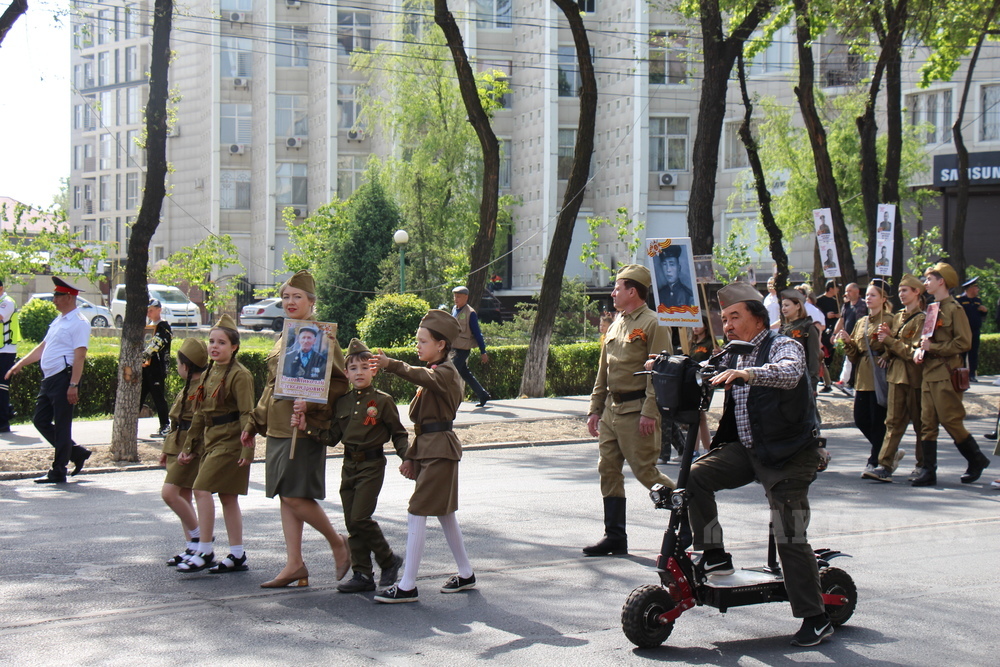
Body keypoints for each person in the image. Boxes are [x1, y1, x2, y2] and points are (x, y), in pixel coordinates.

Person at [686, 282, 830, 648]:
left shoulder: (783, 344)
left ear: (759, 318)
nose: (728, 325)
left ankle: (816, 618)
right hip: (750, 450)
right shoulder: (733, 352)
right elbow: (701, 370)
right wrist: (667, 365)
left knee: (789, 534)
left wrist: (749, 373)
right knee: (695, 477)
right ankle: (715, 555)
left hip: (789, 454)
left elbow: (790, 372)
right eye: (724, 319)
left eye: (735, 317)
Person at [242, 270, 350, 588]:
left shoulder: (322, 336)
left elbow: (340, 384)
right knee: (285, 495)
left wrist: (311, 407)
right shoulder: (286, 335)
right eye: (286, 296)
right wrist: (254, 422)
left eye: (297, 297)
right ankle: (294, 564)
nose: (290, 302)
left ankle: (338, 543)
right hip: (278, 427)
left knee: (293, 495)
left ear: (311, 301)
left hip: (302, 428)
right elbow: (271, 386)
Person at [372, 310, 476, 603]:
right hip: (433, 448)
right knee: (444, 513)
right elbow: (424, 425)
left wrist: (391, 364)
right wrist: (412, 457)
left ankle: (407, 586)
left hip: (440, 450)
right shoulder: (437, 372)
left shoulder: (445, 373)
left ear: (441, 345)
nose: (417, 345)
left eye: (423, 341)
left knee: (417, 510)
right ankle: (466, 573)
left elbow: (420, 376)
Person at [584, 264, 674, 557]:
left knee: (646, 472)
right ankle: (615, 536)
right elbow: (604, 371)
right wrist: (595, 409)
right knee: (607, 469)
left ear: (632, 291)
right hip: (612, 410)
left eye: (617, 288)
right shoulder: (616, 323)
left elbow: (660, 372)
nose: (613, 293)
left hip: (637, 410)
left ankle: (688, 517)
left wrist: (650, 411)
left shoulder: (653, 323)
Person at [304, 338, 407, 594]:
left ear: (374, 371)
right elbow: (332, 437)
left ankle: (388, 559)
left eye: (364, 367)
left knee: (361, 517)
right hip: (348, 465)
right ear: (346, 373)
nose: (359, 372)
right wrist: (306, 427)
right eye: (353, 368)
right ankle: (362, 574)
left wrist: (408, 458)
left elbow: (399, 434)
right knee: (352, 522)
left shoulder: (383, 401)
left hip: (372, 465)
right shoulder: (343, 402)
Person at [177, 315, 255, 574]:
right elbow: (199, 414)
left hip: (231, 440)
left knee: (201, 489)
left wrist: (247, 448)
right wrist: (189, 447)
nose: (214, 346)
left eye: (221, 342)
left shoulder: (240, 375)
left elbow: (247, 413)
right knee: (227, 497)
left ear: (234, 347)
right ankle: (237, 554)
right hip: (212, 439)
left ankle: (205, 549)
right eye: (211, 341)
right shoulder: (209, 373)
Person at [911, 263, 991, 486]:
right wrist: (920, 350)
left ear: (941, 282)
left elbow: (964, 342)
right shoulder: (932, 308)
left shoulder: (955, 309)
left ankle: (976, 459)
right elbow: (926, 339)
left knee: (950, 420)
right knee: (927, 422)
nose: (926, 283)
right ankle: (928, 470)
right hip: (929, 372)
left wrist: (933, 348)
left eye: (929, 279)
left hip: (946, 372)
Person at [5, 277, 91, 484]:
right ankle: (76, 452)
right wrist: (20, 364)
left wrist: (73, 384)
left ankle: (58, 471)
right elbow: (43, 347)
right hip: (50, 379)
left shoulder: (79, 323)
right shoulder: (59, 320)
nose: (54, 299)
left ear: (69, 297)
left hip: (64, 378)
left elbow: (80, 355)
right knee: (40, 420)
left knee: (62, 425)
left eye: (58, 295)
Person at [866, 275, 926, 482]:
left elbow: (913, 352)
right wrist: (886, 343)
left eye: (905, 290)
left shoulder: (921, 319)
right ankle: (885, 464)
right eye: (900, 291)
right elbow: (892, 347)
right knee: (892, 422)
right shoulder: (898, 316)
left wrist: (890, 341)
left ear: (917, 293)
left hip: (914, 377)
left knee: (920, 424)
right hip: (896, 376)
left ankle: (922, 464)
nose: (901, 294)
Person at [836, 282, 893, 477]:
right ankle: (886, 450)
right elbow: (854, 355)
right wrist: (847, 342)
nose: (869, 298)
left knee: (878, 421)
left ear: (883, 299)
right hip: (862, 376)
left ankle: (875, 460)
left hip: (879, 376)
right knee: (861, 419)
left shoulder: (890, 320)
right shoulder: (861, 322)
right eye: (867, 295)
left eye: (873, 295)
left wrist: (886, 354)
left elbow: (896, 344)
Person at [161, 337, 208, 566]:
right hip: (177, 443)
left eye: (179, 363)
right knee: (183, 496)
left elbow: (198, 422)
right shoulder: (189, 385)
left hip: (190, 446)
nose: (177, 367)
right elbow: (176, 421)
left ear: (186, 366)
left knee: (169, 494)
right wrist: (166, 449)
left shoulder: (201, 388)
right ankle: (192, 546)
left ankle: (200, 538)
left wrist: (190, 449)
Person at [450, 286, 491, 408]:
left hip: (463, 349)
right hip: (454, 347)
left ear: (466, 297)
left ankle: (451, 400)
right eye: (455, 296)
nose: (456, 299)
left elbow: (477, 333)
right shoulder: (454, 309)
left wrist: (483, 351)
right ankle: (483, 395)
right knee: (465, 373)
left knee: (451, 373)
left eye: (458, 297)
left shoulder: (470, 313)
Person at [142, 298, 173, 438]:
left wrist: (143, 354)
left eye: (151, 310)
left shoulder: (163, 326)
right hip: (145, 367)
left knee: (158, 397)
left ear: (159, 310)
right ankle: (130, 426)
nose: (148, 313)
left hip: (157, 369)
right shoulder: (148, 326)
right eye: (147, 311)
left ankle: (165, 426)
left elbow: (157, 344)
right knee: (139, 397)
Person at [833, 283, 866, 393]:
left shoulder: (864, 305)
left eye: (850, 291)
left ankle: (851, 384)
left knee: (854, 361)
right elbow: (842, 320)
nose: (847, 293)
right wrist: (835, 334)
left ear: (857, 291)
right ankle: (845, 381)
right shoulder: (846, 306)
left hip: (859, 338)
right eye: (846, 291)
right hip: (847, 337)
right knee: (848, 359)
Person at [955, 277, 987, 382]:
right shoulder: (960, 300)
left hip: (975, 331)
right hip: (964, 331)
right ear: (970, 289)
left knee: (973, 354)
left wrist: (984, 311)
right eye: (976, 288)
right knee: (962, 354)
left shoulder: (977, 300)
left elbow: (980, 316)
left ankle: (972, 374)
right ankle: (962, 375)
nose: (977, 290)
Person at [0, 278, 19, 433]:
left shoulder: (7, 302)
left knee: (2, 387)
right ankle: (7, 411)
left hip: (6, 351)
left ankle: (3, 422)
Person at [815, 281, 840, 393]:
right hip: (823, 331)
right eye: (836, 287)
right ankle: (821, 377)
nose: (838, 290)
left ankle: (827, 376)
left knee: (830, 353)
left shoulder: (836, 301)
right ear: (830, 288)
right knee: (822, 355)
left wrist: (838, 316)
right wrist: (826, 315)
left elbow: (840, 314)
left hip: (833, 330)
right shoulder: (819, 300)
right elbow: (818, 314)